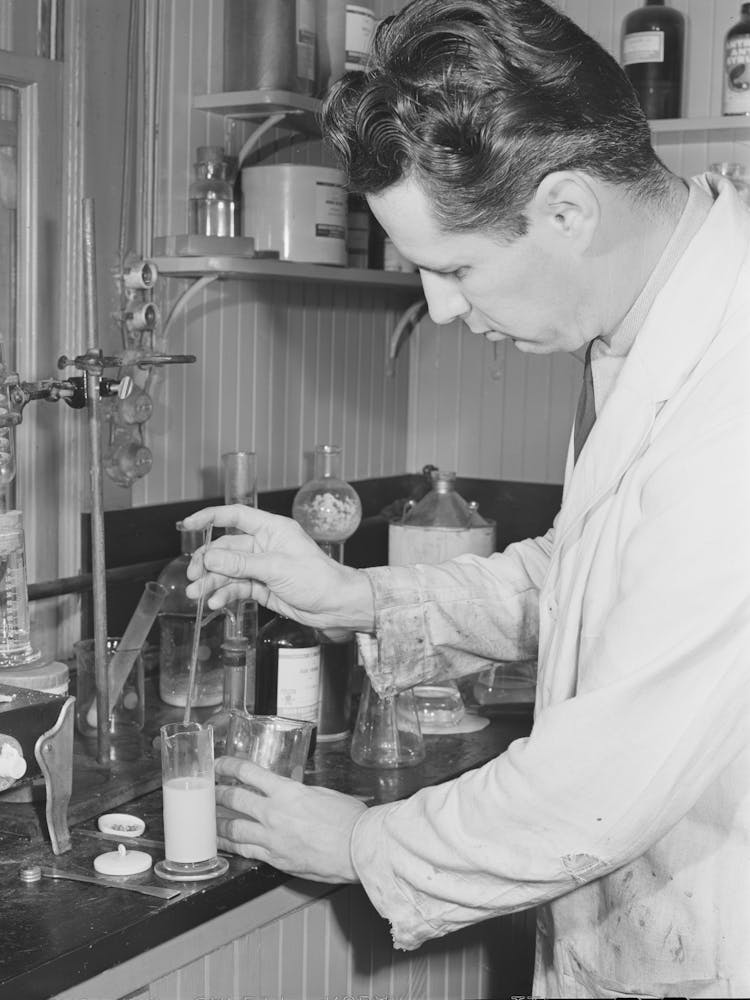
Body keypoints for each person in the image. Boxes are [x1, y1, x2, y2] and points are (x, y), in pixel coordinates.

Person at [181, 0, 750, 995]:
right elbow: (587, 578)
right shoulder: (652, 323)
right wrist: (364, 601)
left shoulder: (732, 396)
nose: (440, 307)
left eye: (456, 267)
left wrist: (364, 839)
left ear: (568, 209)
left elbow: (595, 794)